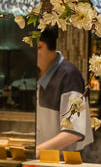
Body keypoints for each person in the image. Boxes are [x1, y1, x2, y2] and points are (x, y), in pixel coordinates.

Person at [35, 26, 93, 154]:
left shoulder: (70, 76)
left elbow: (73, 132)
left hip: (64, 162)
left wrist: (37, 151)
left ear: (40, 47)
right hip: (44, 159)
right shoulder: (37, 74)